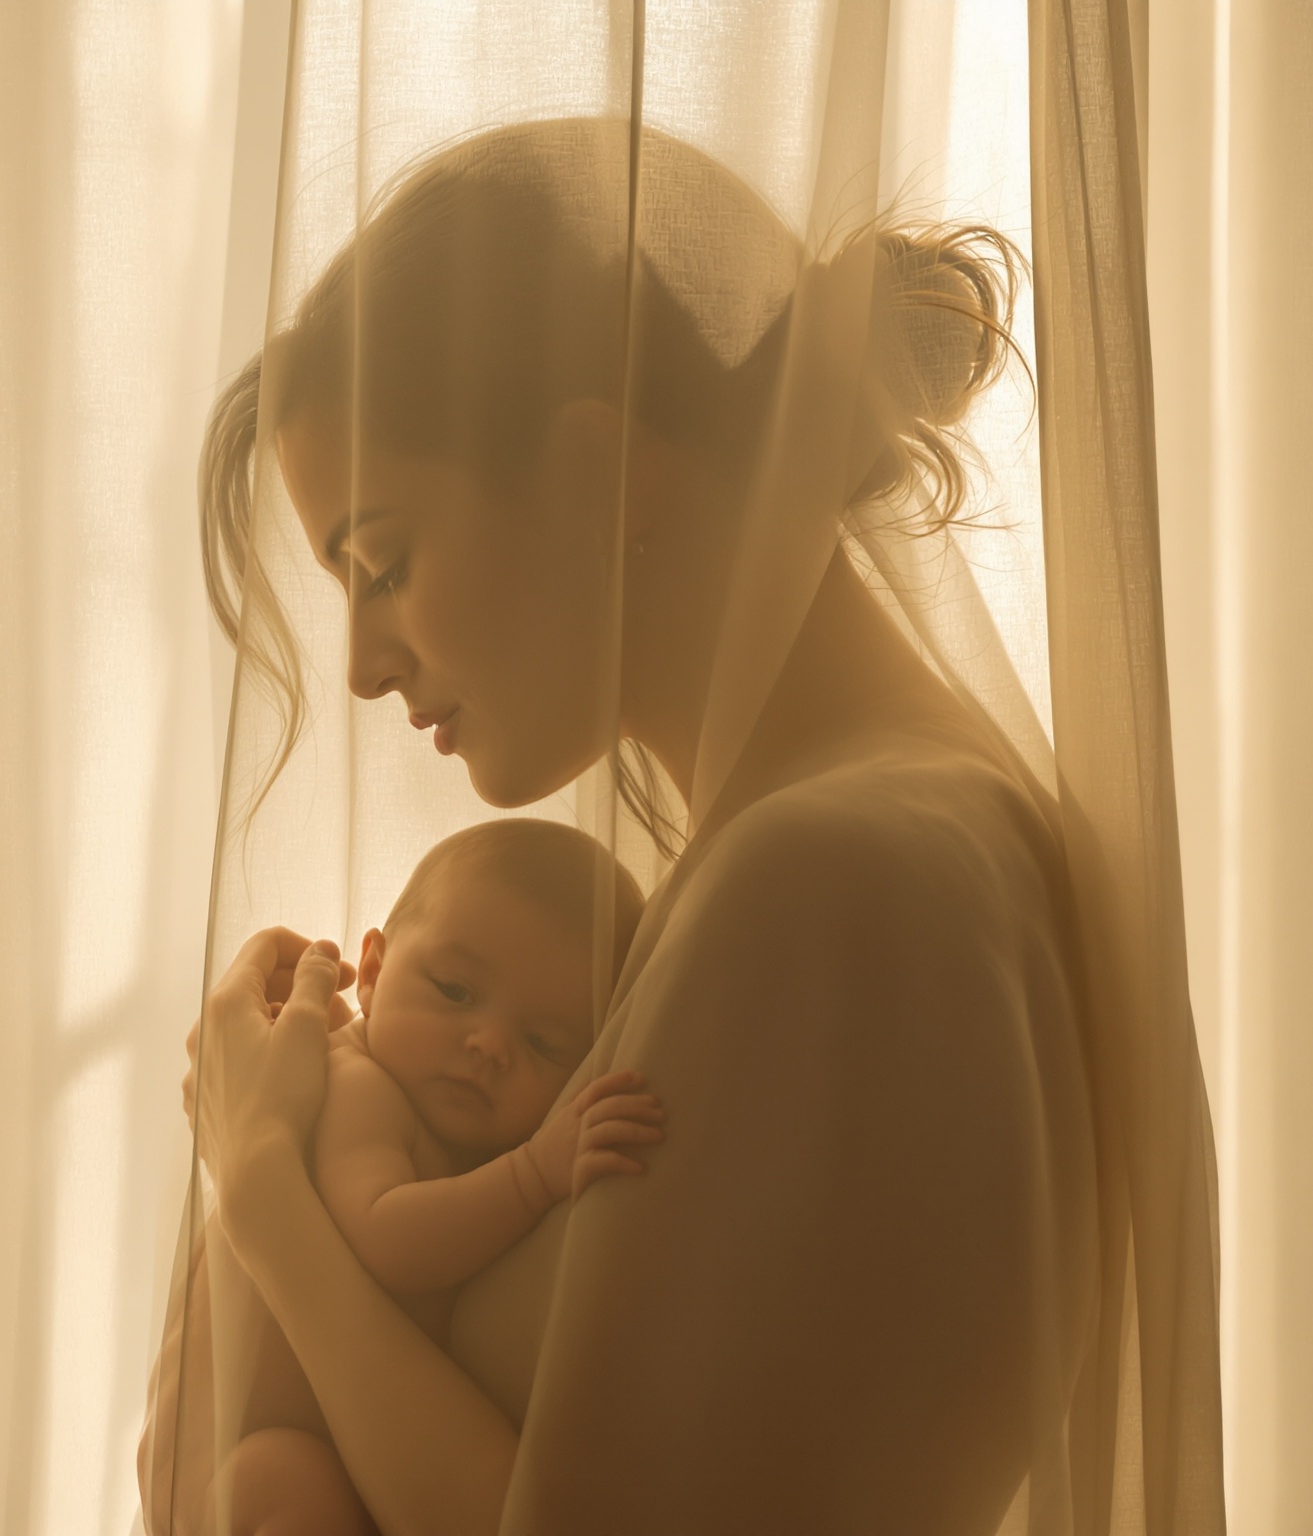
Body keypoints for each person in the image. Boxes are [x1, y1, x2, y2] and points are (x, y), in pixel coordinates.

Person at [143, 117, 1195, 1535]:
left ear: (600, 478)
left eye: (384, 564)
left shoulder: (829, 879)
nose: (362, 668)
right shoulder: (846, 838)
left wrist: (266, 1190)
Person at [212, 819, 659, 1536]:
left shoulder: (442, 1119)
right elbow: (385, 1231)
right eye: (455, 991)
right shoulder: (357, 1083)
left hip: (375, 1452)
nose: (488, 1045)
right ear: (377, 971)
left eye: (543, 1042)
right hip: (273, 1447)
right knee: (291, 1489)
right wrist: (532, 1175)